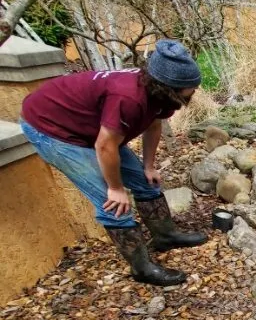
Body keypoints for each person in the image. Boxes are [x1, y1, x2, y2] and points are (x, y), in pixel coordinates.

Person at [20, 39, 208, 287]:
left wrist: (148, 166)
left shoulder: (160, 94)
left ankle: (165, 236)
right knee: (114, 204)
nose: (194, 91)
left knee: (146, 182)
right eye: (190, 87)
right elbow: (105, 146)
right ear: (171, 87)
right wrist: (116, 188)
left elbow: (153, 124)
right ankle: (142, 269)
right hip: (53, 129)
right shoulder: (129, 97)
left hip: (93, 129)